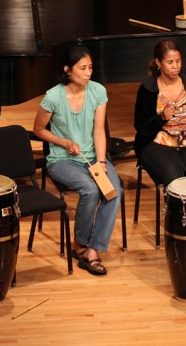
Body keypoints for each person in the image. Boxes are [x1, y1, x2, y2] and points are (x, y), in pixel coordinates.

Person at [33, 44, 122, 276]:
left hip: (93, 157)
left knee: (113, 189)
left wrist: (101, 162)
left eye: (90, 67)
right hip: (61, 160)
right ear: (68, 70)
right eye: (82, 68)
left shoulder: (98, 92)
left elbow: (99, 131)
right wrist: (64, 142)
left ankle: (93, 250)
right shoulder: (53, 96)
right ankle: (79, 244)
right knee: (91, 190)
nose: (88, 72)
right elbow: (39, 129)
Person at [133, 39, 186, 185]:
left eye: (178, 61)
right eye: (170, 62)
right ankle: (176, 208)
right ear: (159, 63)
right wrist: (161, 118)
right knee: (175, 181)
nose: (175, 66)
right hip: (158, 144)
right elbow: (141, 127)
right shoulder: (147, 89)